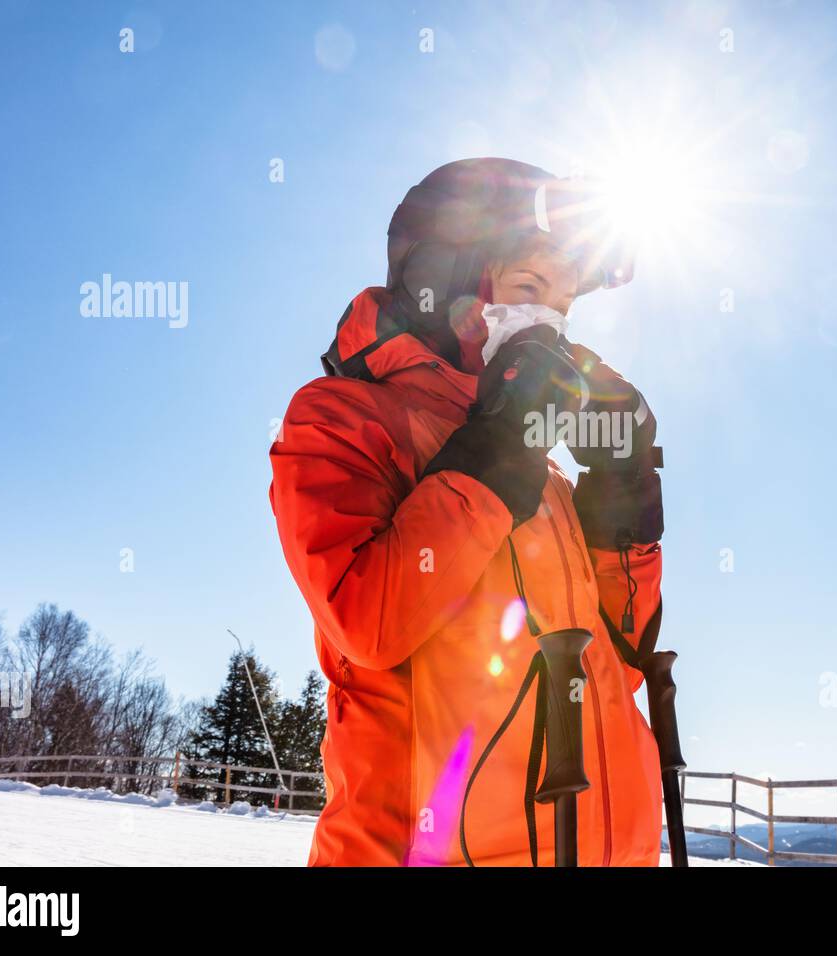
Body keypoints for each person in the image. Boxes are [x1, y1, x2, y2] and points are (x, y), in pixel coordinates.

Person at [268, 158, 666, 866]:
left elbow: (616, 664)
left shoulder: (539, 473)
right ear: (447, 284)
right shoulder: (340, 418)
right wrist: (502, 442)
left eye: (565, 303)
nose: (552, 320)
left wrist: (620, 492)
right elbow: (371, 621)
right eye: (528, 287)